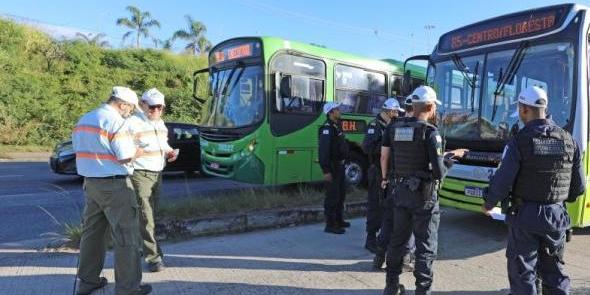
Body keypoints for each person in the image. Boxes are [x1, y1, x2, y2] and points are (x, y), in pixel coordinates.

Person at [482, 86, 585, 295]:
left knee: (523, 275)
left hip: (525, 217)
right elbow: (578, 188)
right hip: (556, 216)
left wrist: (489, 202)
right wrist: (557, 201)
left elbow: (503, 179)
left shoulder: (519, 141)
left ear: (523, 109)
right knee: (554, 272)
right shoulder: (568, 140)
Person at [381, 86, 466, 295]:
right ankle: (422, 291)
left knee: (397, 241)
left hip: (400, 193)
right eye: (434, 107)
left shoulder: (394, 128)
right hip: (423, 198)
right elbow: (438, 172)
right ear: (429, 107)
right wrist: (450, 159)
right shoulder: (430, 133)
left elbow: (389, 157)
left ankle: (391, 287)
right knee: (425, 246)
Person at [72, 86, 152, 295]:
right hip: (115, 186)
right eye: (131, 108)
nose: (130, 113)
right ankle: (128, 288)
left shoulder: (85, 119)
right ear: (122, 104)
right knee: (126, 235)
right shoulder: (116, 121)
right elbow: (125, 155)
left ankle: (88, 281)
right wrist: (139, 150)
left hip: (91, 184)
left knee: (93, 234)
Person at [128, 88, 178, 273]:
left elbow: (162, 143)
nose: (156, 111)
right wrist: (133, 155)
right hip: (140, 174)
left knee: (151, 216)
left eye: (160, 107)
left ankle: (145, 249)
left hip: (158, 173)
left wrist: (169, 151)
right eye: (152, 107)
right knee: (146, 217)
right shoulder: (132, 123)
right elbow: (123, 149)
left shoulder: (160, 123)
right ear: (142, 104)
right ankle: (153, 258)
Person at [361, 98, 405, 253]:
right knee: (375, 204)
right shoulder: (375, 126)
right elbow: (367, 147)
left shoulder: (390, 126)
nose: (396, 115)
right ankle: (370, 239)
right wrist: (385, 145)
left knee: (387, 206)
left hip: (388, 170)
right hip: (377, 171)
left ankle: (383, 237)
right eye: (395, 112)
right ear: (388, 111)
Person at [318, 102, 350, 234]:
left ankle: (339, 219)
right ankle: (330, 225)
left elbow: (341, 144)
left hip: (340, 166)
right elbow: (323, 152)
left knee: (341, 194)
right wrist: (326, 170)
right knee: (332, 196)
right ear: (331, 113)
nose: (339, 111)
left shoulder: (337, 126)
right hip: (332, 166)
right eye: (337, 109)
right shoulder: (327, 129)